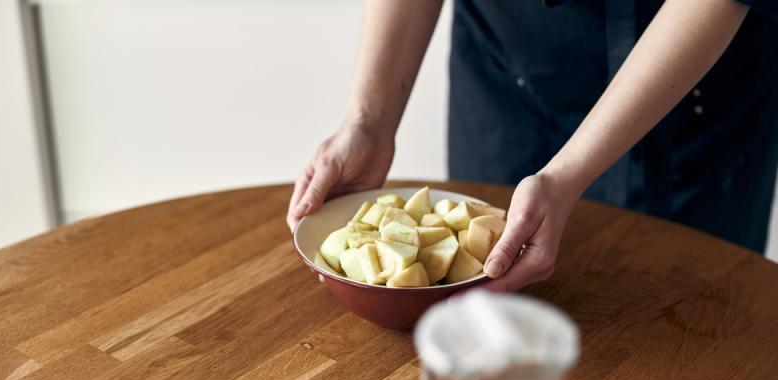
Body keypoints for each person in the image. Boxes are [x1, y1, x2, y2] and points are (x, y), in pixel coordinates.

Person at [286, 0, 778, 293]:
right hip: (504, 69)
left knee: (684, 333)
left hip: (689, 90)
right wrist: (369, 120)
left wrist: (566, 175)